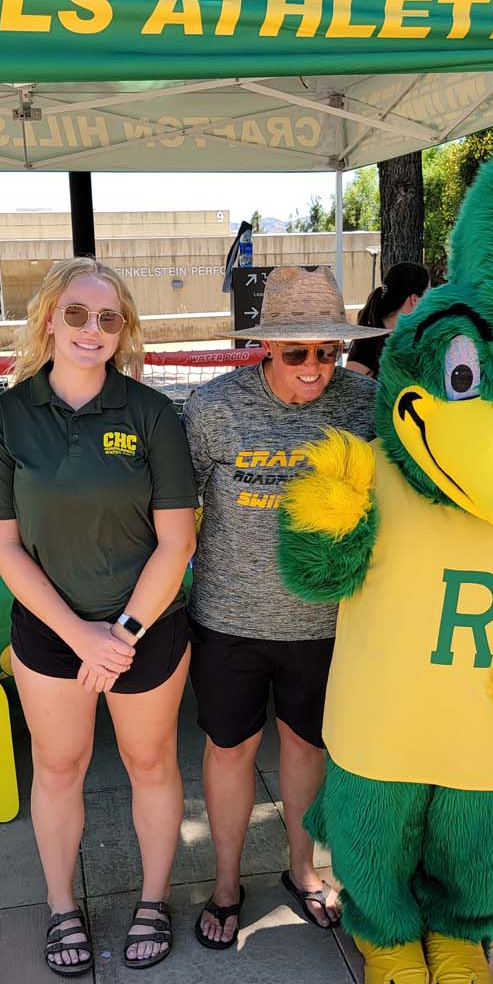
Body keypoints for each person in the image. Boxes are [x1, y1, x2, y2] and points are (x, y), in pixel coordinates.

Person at [0, 258, 198, 979]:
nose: (91, 330)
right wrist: (81, 638)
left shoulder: (152, 415)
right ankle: (61, 905)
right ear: (48, 320)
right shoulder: (5, 419)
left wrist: (122, 635)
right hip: (51, 633)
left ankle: (154, 899)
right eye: (76, 314)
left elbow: (177, 540)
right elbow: (2, 545)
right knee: (58, 765)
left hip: (147, 630)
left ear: (124, 330)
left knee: (151, 762)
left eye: (108, 318)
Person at [183, 266, 383, 948]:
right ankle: (227, 882)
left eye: (329, 352)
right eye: (297, 352)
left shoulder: (368, 404)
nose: (315, 368)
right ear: (265, 347)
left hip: (323, 624)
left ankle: (303, 869)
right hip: (228, 622)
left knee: (306, 747)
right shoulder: (211, 408)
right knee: (228, 749)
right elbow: (173, 513)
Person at [344, 261, 430, 376]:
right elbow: (351, 388)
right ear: (414, 299)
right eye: (429, 295)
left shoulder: (419, 337)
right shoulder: (368, 344)